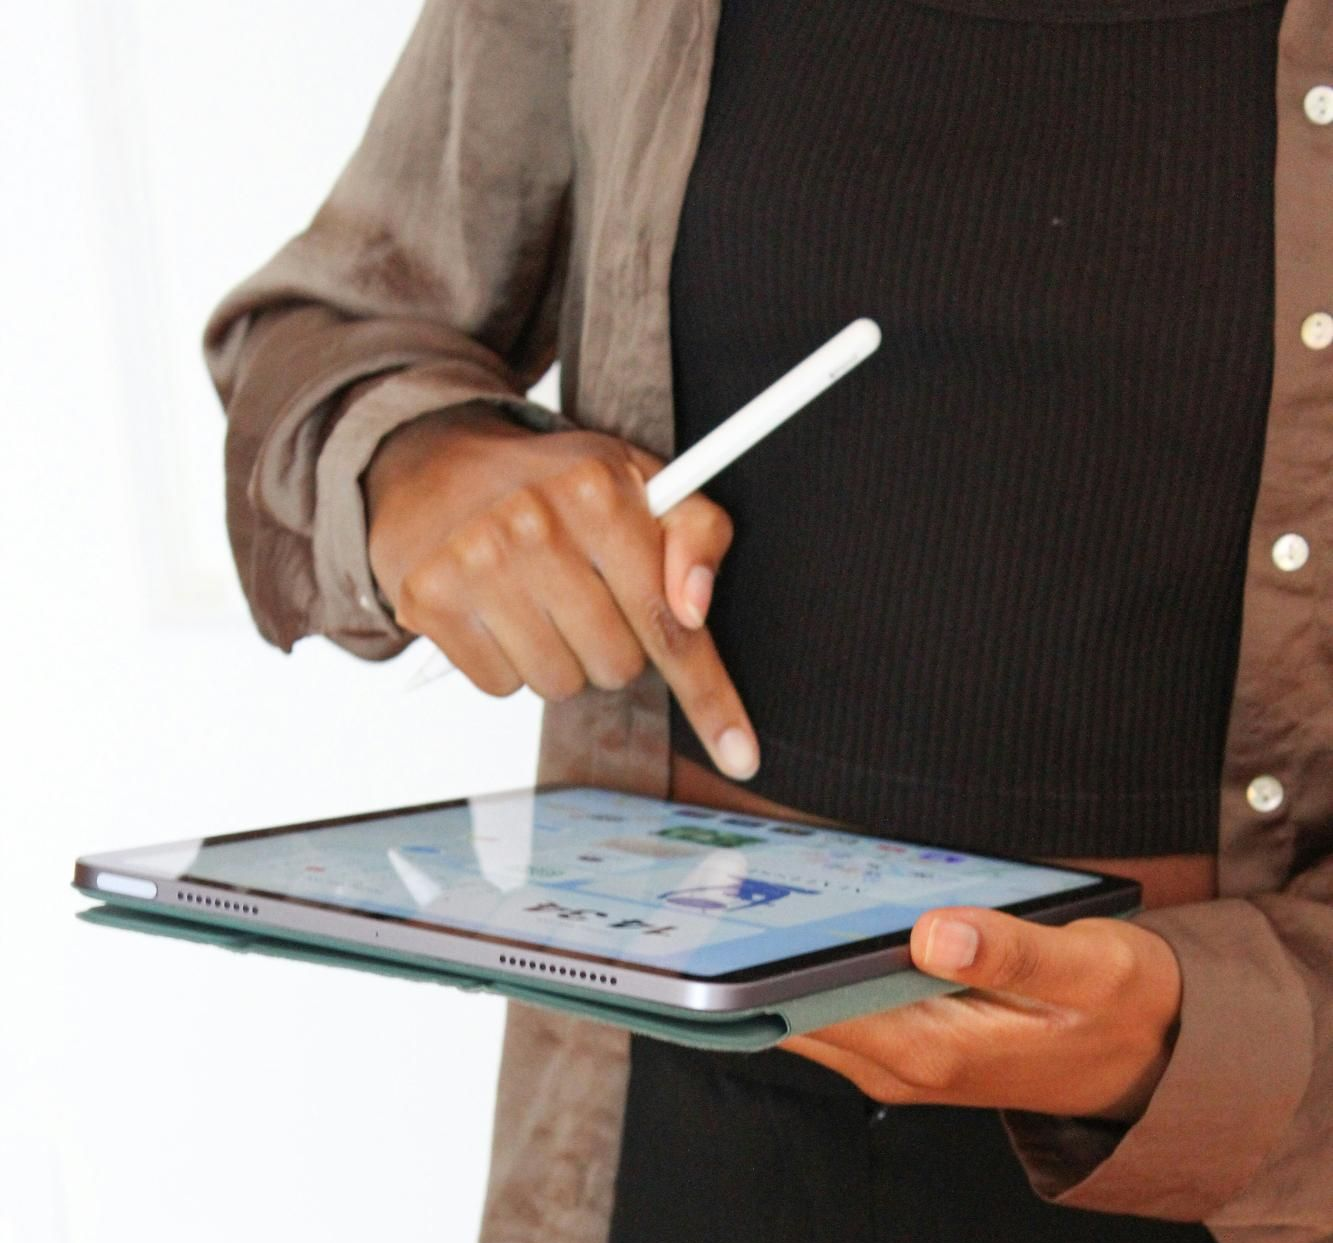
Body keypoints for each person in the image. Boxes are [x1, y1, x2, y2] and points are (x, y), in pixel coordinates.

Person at [203, 1, 1332, 1239]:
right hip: (680, 1109)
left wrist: (1201, 1031)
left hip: (1240, 1138)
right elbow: (331, 319)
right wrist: (418, 462)